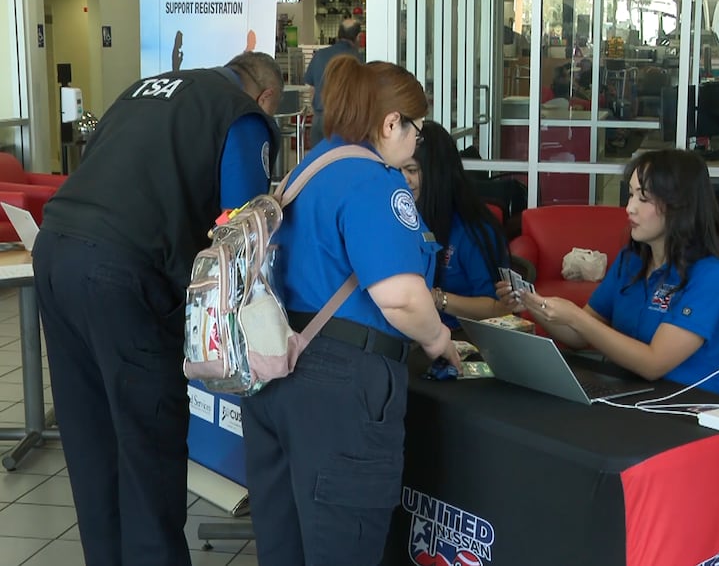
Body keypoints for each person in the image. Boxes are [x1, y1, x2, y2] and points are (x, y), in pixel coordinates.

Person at [31, 51, 284, 566]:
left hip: (55, 252)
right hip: (124, 275)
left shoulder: (143, 89)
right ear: (263, 96)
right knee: (147, 451)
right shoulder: (239, 114)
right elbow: (243, 230)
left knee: (92, 445)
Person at [242, 56, 462, 566]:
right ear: (390, 123)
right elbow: (402, 296)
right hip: (341, 391)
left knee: (286, 544)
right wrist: (437, 342)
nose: (415, 143)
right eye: (417, 131)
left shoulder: (308, 167)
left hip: (276, 371)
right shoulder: (374, 182)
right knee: (342, 544)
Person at [497, 149, 719, 397]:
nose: (629, 208)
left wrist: (575, 317)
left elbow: (653, 363)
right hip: (632, 397)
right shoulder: (631, 261)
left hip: (695, 407)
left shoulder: (712, 276)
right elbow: (578, 337)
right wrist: (531, 305)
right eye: (631, 195)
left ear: (680, 206)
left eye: (643, 199)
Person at [401, 121, 512, 328]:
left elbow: (499, 308)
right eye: (396, 170)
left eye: (411, 170)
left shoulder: (472, 230)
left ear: (437, 173)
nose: (402, 180)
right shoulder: (401, 218)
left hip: (460, 337)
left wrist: (436, 299)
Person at [303, 18, 362, 147]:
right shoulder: (358, 59)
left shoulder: (319, 55)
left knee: (319, 163)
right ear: (358, 37)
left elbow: (312, 90)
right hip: (345, 123)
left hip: (319, 120)